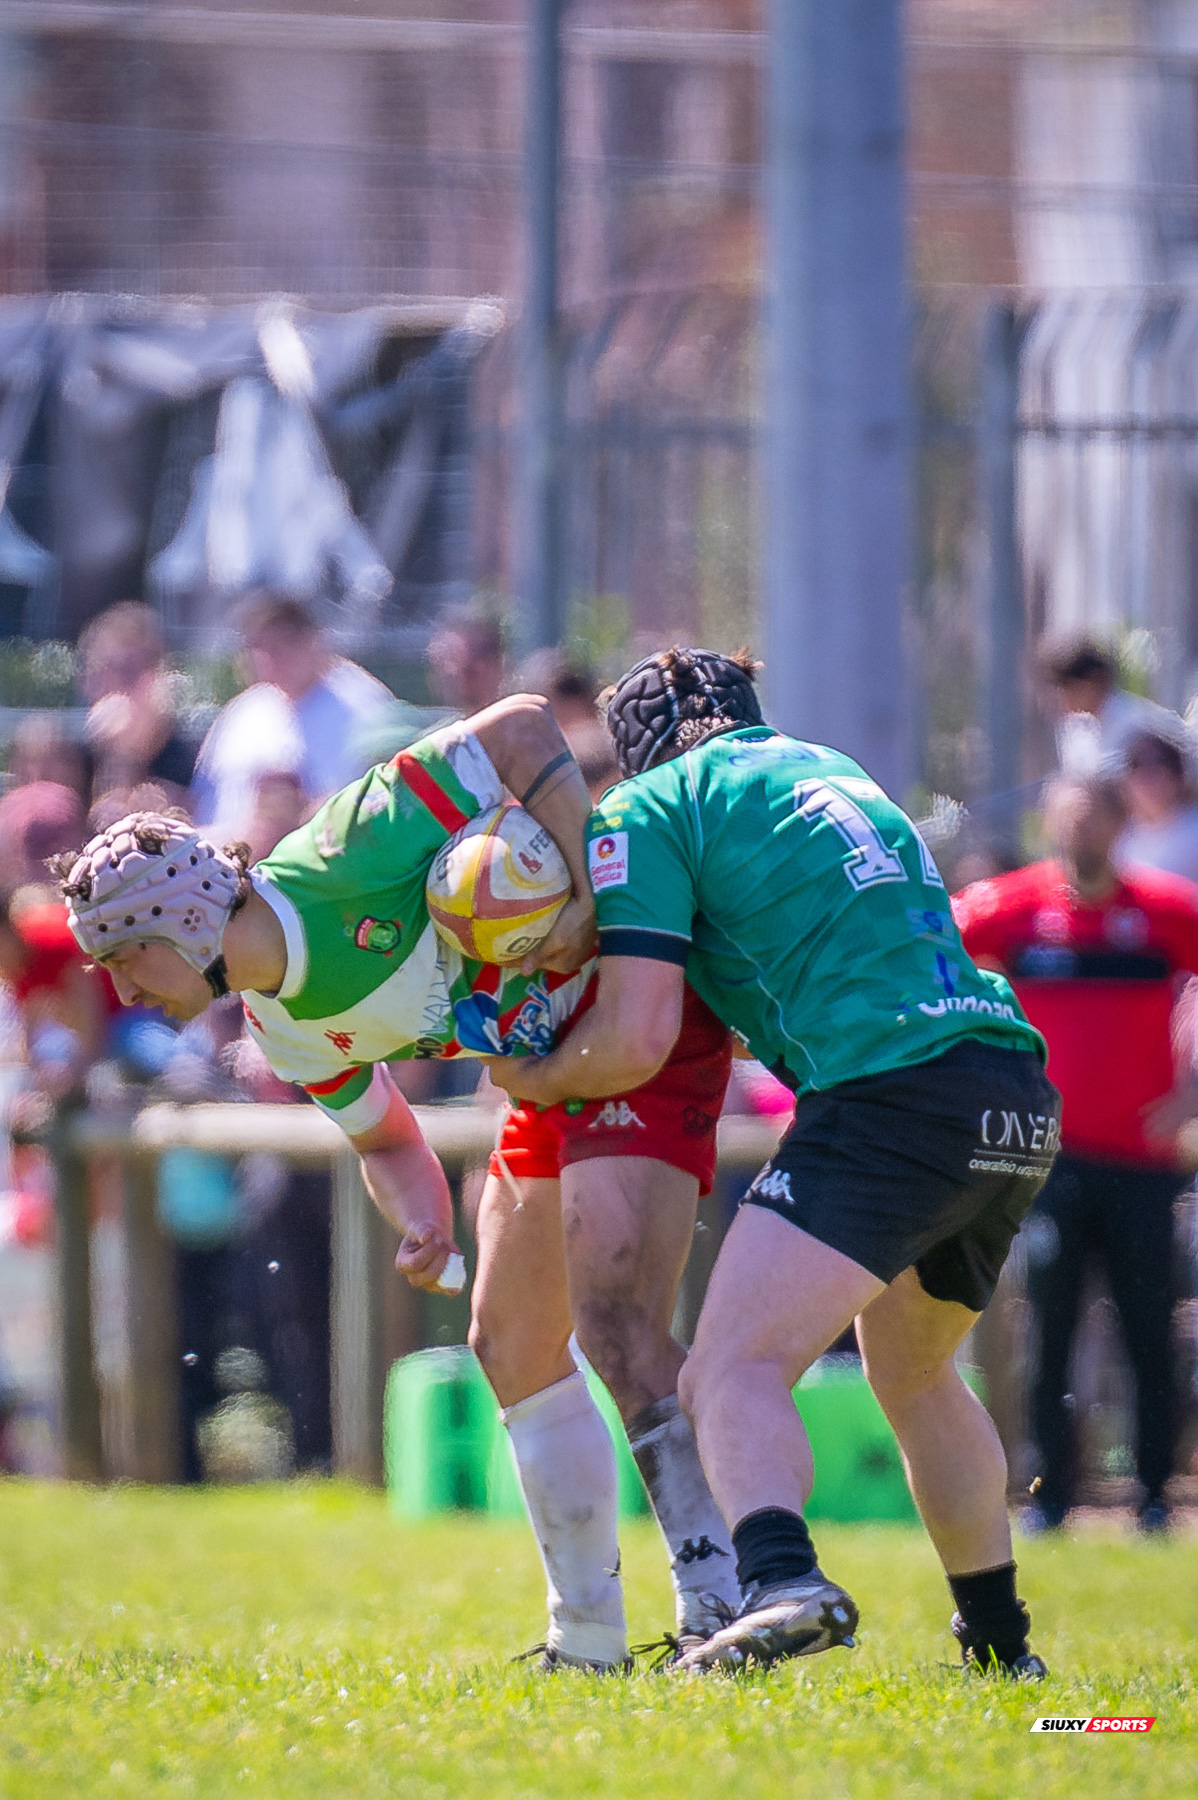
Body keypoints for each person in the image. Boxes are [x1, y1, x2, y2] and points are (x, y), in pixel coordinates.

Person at [58, 695, 741, 1670]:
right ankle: (587, 1644)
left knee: (618, 1328)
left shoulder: (338, 855)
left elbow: (517, 727)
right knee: (507, 1340)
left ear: (179, 918)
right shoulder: (276, 1026)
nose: (123, 993)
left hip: (632, 1015)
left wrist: (591, 888)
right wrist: (420, 1215)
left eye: (124, 959)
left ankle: (724, 1611)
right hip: (552, 1069)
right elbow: (384, 1138)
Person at [489, 647, 1059, 1678]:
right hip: (1009, 1087)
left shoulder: (647, 807)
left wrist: (530, 1073)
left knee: (729, 1370)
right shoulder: (826, 767)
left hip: (894, 1094)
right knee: (915, 1371)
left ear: (635, 748)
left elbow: (632, 1041)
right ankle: (1002, 1654)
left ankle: (781, 1582)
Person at [954, 775, 1198, 1534]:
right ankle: (1048, 1495)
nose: (1081, 830)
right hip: (1047, 1159)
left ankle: (1155, 1493)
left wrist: (1191, 1090)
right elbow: (929, 955)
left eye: (1096, 817)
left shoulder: (1164, 911)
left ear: (1120, 824)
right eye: (1069, 817)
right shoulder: (1013, 908)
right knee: (1048, 1324)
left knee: (1146, 1324)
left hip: (1143, 1159)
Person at [189, 594, 393, 834]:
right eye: (257, 646)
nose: (266, 658)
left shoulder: (364, 707)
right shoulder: (243, 711)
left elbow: (381, 803)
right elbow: (203, 797)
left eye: (278, 646)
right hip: (226, 858)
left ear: (311, 641)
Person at [78, 601, 196, 804]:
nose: (113, 685)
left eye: (127, 671)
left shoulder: (193, 766)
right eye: (102, 669)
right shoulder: (71, 766)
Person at [1039, 633, 1179, 778]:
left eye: (1067, 687)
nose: (1061, 696)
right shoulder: (1076, 730)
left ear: (1091, 683)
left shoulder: (1141, 722)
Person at [1117, 728, 1198, 884]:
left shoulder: (1194, 831)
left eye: (1156, 773)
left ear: (1178, 779)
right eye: (1140, 774)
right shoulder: (1119, 835)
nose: (1148, 784)